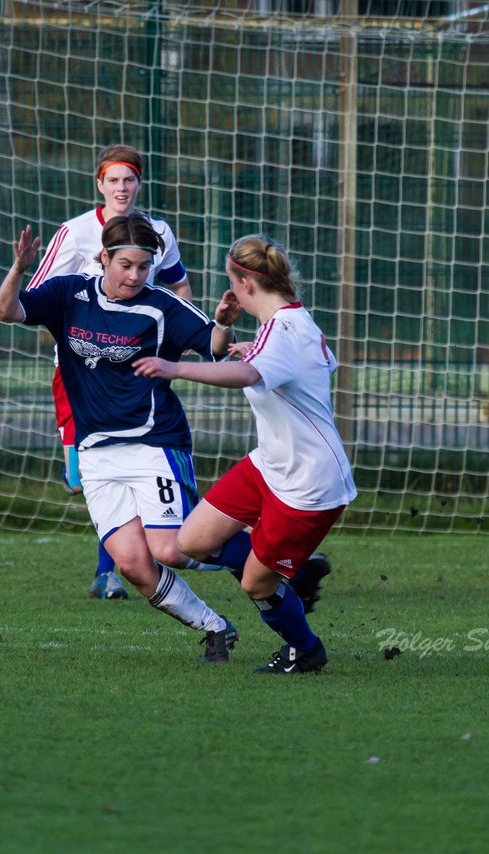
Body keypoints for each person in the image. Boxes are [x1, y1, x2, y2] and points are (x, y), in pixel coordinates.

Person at [0, 210, 252, 663]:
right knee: (134, 565)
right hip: (97, 451)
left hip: (154, 442)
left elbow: (212, 348)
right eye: (126, 265)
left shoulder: (161, 306)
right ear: (103, 258)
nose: (135, 275)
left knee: (169, 550)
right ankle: (215, 627)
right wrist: (18, 269)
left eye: (144, 265)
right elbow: (8, 311)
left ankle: (267, 555)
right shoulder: (68, 294)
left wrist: (225, 322)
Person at [133, 235, 355, 674]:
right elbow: (309, 365)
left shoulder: (283, 333)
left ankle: (305, 649)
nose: (231, 290)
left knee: (256, 584)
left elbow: (249, 374)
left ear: (247, 283)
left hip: (309, 483)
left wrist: (176, 367)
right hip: (270, 463)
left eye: (231, 281)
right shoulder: (290, 321)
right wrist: (237, 339)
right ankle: (293, 572)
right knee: (191, 541)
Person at [26, 144, 193, 601]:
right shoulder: (75, 232)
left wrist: (181, 329)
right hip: (83, 369)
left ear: (140, 184)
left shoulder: (158, 231)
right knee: (83, 474)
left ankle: (114, 571)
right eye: (113, 180)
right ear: (99, 183)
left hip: (140, 360)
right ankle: (127, 558)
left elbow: (178, 284)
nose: (122, 188)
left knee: (135, 454)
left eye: (129, 179)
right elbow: (37, 294)